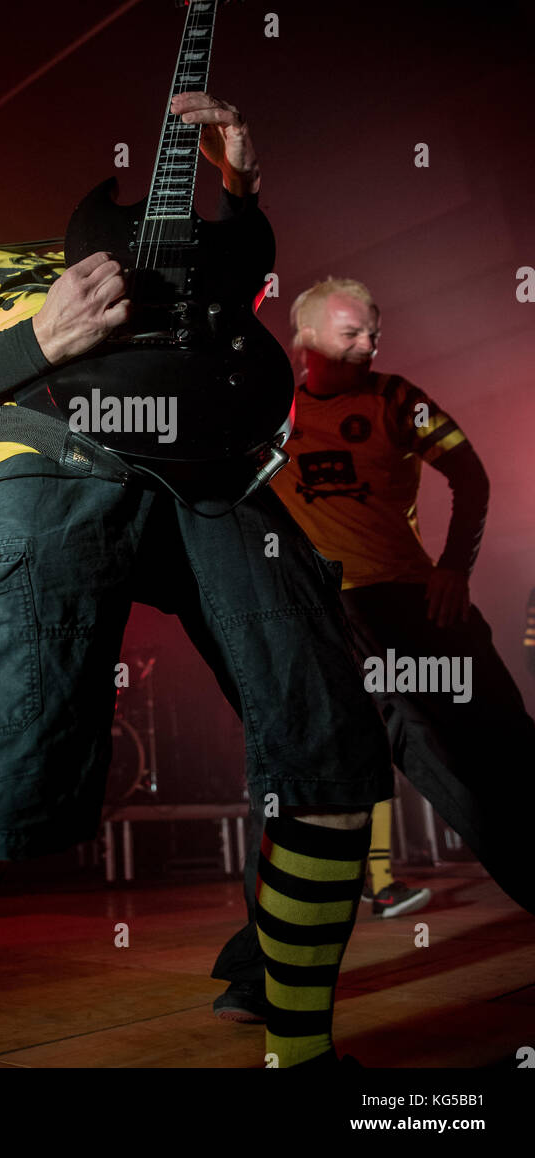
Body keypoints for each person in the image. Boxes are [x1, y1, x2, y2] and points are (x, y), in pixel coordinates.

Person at [0, 103, 394, 1070]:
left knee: (331, 756)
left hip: (209, 469)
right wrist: (41, 341)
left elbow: (222, 293)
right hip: (37, 466)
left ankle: (304, 1062)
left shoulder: (70, 247)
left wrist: (242, 193)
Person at [212, 277, 535, 1024]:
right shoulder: (272, 412)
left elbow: (472, 474)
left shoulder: (398, 398)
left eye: (373, 331)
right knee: (308, 783)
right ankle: (264, 977)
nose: (370, 343)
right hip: (328, 614)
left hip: (417, 605)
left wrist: (455, 564)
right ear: (307, 340)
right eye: (353, 332)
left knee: (500, 759)